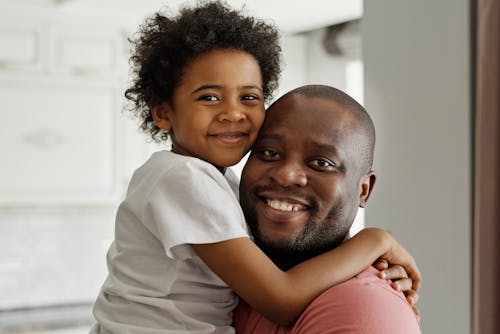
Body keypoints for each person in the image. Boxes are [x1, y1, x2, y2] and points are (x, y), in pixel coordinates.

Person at [90, 2, 420, 333]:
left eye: (248, 97)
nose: (233, 113)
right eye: (209, 98)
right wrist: (375, 240)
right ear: (163, 113)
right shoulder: (182, 178)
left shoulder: (218, 181)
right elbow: (282, 299)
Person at [235, 84, 422, 333]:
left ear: (363, 189)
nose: (286, 175)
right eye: (270, 152)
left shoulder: (361, 308)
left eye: (321, 163)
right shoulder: (225, 271)